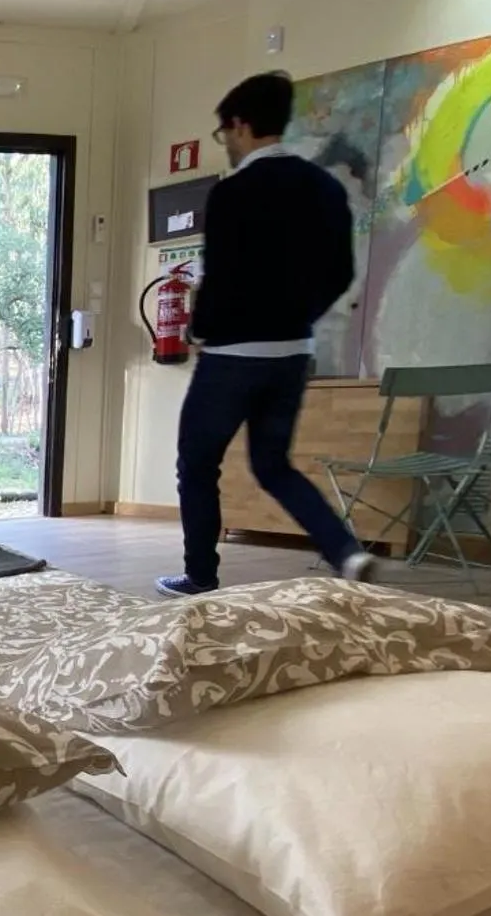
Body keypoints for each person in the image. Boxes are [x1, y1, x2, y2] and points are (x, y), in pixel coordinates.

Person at [156, 73, 376, 598]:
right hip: (293, 353)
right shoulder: (323, 187)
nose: (227, 145)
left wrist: (201, 327)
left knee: (197, 463)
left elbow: (223, 273)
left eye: (224, 134)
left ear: (240, 124)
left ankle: (200, 577)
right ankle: (346, 551)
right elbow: (342, 272)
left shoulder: (234, 193)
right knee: (273, 465)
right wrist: (299, 316)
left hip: (233, 356)